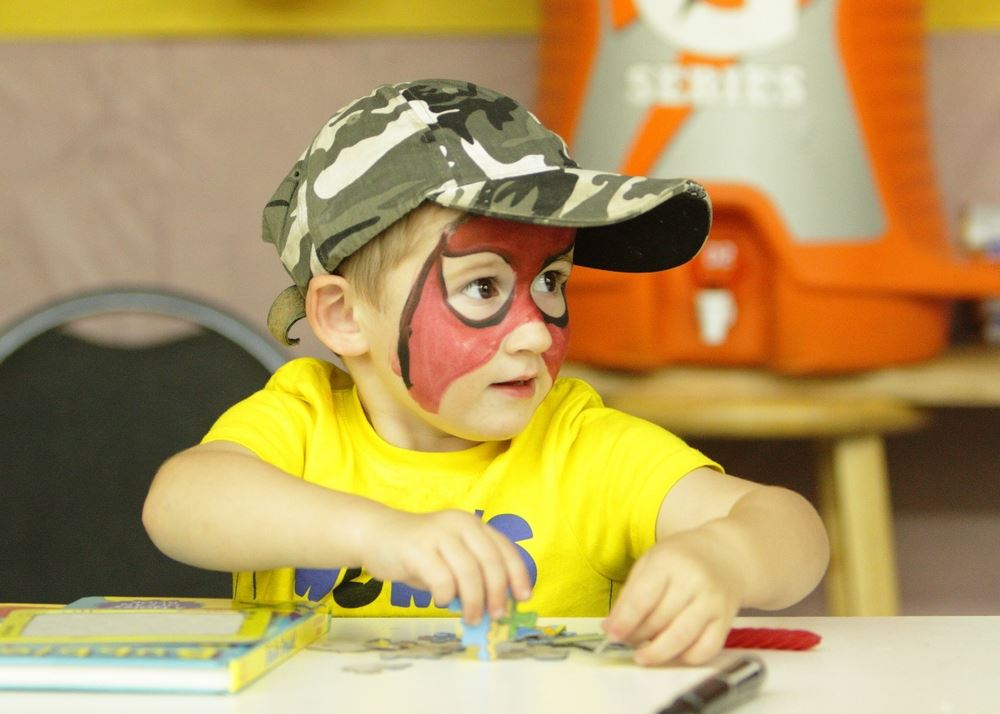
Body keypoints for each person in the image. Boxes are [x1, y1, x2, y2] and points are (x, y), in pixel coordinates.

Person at [143, 79, 829, 666]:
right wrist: (381, 535)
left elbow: (792, 529)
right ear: (345, 317)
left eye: (553, 280)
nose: (536, 329)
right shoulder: (303, 419)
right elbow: (179, 502)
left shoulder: (577, 445)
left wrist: (726, 559)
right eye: (482, 288)